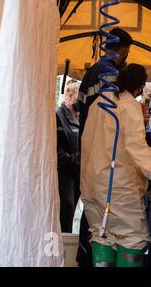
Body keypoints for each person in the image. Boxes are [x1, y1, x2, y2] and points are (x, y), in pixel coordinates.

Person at [80, 64, 151, 267]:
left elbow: (86, 143)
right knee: (132, 237)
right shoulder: (129, 106)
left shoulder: (99, 102)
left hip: (93, 185)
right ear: (140, 87)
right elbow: (136, 146)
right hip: (119, 187)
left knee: (101, 234)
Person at [76, 27, 132, 267]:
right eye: (125, 52)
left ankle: (85, 258)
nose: (125, 57)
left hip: (88, 145)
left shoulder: (92, 72)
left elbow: (81, 108)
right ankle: (90, 259)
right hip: (101, 148)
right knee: (99, 208)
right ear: (119, 51)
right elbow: (112, 115)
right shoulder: (108, 73)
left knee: (90, 203)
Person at [56, 79, 81, 233]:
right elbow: (54, 147)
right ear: (69, 95)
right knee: (66, 209)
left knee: (71, 213)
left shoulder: (80, 118)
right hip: (64, 173)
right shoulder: (58, 116)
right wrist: (72, 159)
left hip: (76, 174)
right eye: (79, 96)